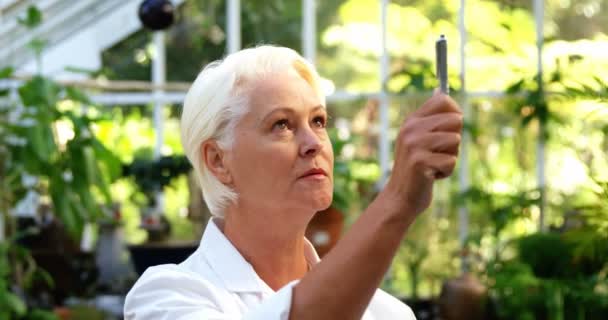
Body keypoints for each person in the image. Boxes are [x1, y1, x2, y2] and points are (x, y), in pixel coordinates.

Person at [124, 45, 463, 319]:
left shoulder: (388, 313)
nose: (313, 142)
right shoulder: (168, 297)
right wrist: (397, 201)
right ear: (218, 160)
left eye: (318, 121)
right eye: (282, 125)